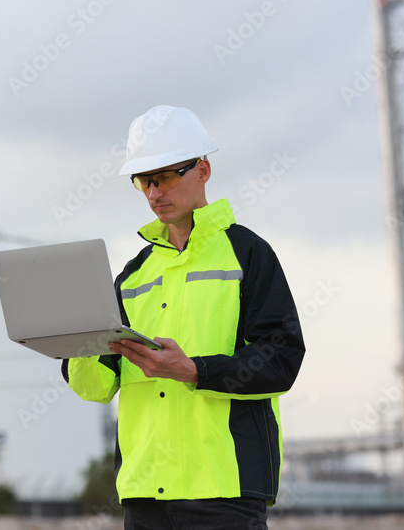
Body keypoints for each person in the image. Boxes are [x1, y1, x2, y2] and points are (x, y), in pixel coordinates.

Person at [61, 105, 305, 530]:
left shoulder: (247, 254)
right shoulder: (133, 275)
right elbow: (98, 387)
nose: (154, 192)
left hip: (222, 488)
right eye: (143, 180)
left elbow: (281, 361)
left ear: (203, 170)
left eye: (167, 175)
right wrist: (72, 343)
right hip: (145, 490)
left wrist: (195, 371)